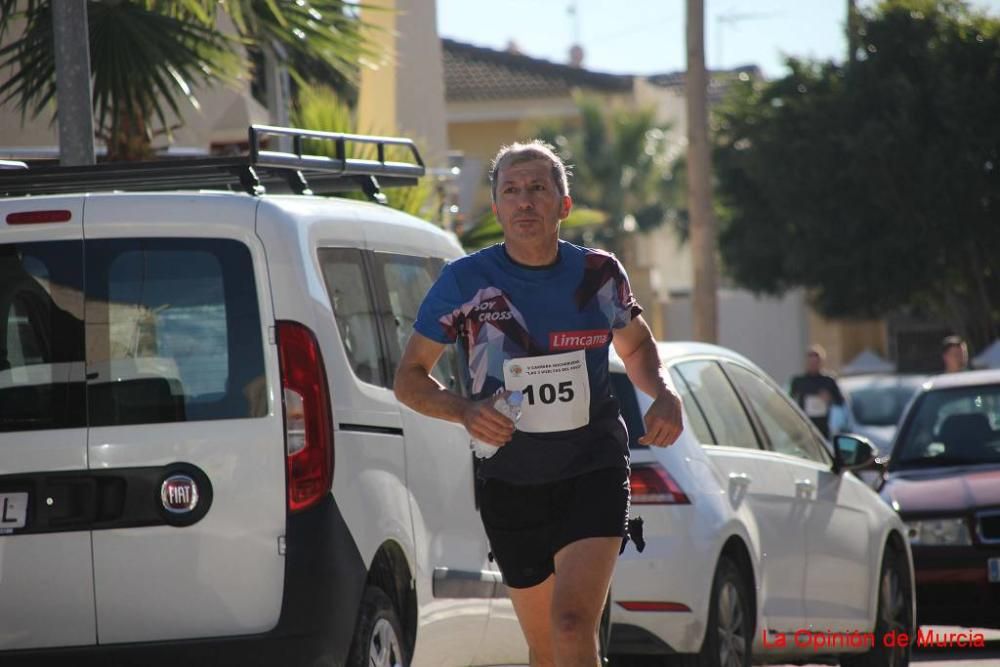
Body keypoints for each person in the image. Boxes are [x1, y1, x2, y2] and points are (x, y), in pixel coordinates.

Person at [393, 140, 683, 667]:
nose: (524, 201)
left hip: (591, 468)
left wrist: (663, 392)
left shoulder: (598, 274)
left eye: (537, 189)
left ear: (562, 205)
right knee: (547, 647)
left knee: (572, 625)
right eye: (511, 191)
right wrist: (464, 410)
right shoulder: (465, 281)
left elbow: (636, 345)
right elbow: (410, 379)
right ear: (497, 207)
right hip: (510, 481)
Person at [789, 344, 845, 439]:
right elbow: (789, 401)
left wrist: (829, 398)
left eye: (816, 362)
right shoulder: (798, 381)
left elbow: (840, 402)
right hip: (804, 427)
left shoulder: (828, 381)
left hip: (823, 428)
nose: (813, 365)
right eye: (811, 362)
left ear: (821, 362)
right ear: (806, 362)